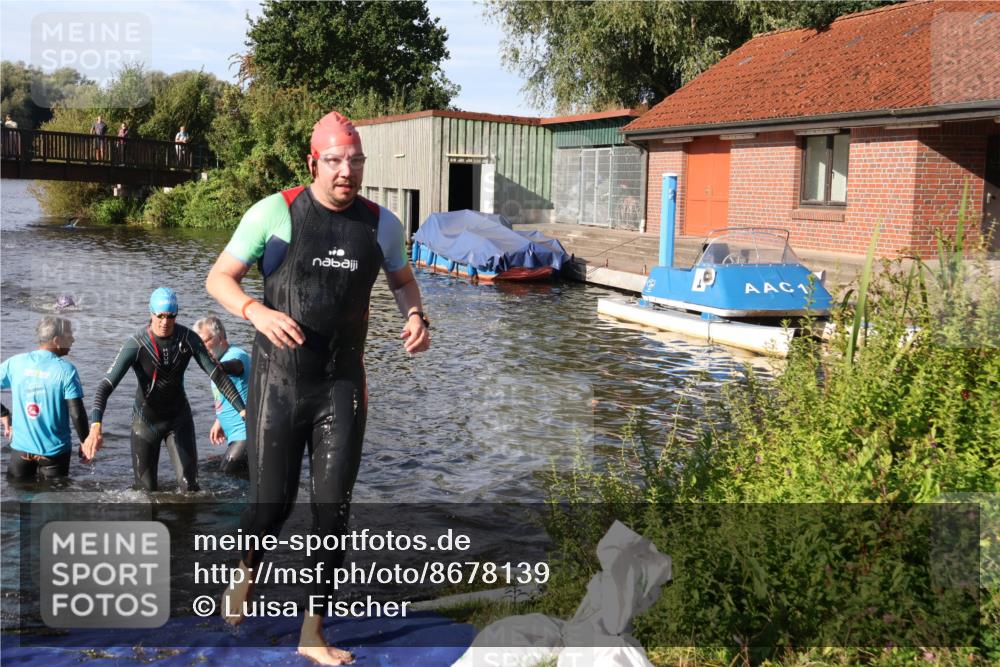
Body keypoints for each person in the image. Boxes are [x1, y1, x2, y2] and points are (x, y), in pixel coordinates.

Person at [205, 109, 430, 665]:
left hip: (341, 387)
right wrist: (255, 311)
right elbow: (218, 278)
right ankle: (246, 571)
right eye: (334, 161)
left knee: (333, 514)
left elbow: (402, 280)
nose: (345, 172)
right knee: (271, 506)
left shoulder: (382, 224)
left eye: (354, 161)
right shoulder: (275, 213)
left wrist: (417, 315)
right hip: (278, 385)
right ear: (314, 162)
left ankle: (313, 632)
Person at [82, 288, 246, 492]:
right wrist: (95, 425)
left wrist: (242, 410)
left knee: (190, 489)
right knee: (145, 493)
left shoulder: (188, 338)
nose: (164, 322)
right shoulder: (136, 344)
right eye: (159, 316)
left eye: (170, 316)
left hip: (179, 420)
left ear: (176, 315)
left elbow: (218, 375)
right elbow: (105, 386)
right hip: (145, 422)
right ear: (151, 313)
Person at [1, 317, 91, 479]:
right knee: (52, 501)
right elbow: (76, 412)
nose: (73, 339)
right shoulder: (66, 370)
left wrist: (3, 413)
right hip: (54, 454)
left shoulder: (15, 363)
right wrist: (85, 441)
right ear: (57, 341)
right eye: (69, 335)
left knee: (19, 497)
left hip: (21, 451)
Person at [192, 315, 250, 474]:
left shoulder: (236, 355)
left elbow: (237, 367)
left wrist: (220, 367)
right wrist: (220, 420)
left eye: (206, 340)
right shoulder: (221, 356)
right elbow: (231, 392)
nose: (202, 347)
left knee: (223, 478)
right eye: (199, 343)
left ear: (221, 336)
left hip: (246, 436)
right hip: (236, 437)